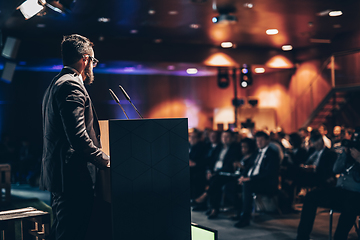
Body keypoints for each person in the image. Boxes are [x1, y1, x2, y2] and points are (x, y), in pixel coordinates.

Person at [40, 34, 110, 240]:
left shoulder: (55, 83)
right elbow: (78, 138)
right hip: (72, 178)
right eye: (93, 61)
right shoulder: (71, 85)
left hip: (62, 176)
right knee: (70, 234)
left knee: (64, 231)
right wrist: (105, 160)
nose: (93, 67)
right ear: (85, 59)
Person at [296, 130, 360, 240]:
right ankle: (302, 236)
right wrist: (344, 153)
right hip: (340, 190)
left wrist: (359, 159)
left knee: (350, 205)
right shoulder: (348, 155)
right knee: (311, 196)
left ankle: (339, 238)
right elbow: (335, 169)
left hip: (356, 194)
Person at [234, 131, 280, 228]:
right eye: (257, 141)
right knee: (229, 185)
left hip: (265, 183)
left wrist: (249, 179)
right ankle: (239, 212)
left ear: (268, 140)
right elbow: (248, 167)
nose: (259, 143)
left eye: (261, 140)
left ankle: (245, 217)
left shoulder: (273, 154)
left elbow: (268, 173)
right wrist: (242, 177)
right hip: (251, 180)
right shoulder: (256, 152)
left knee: (247, 186)